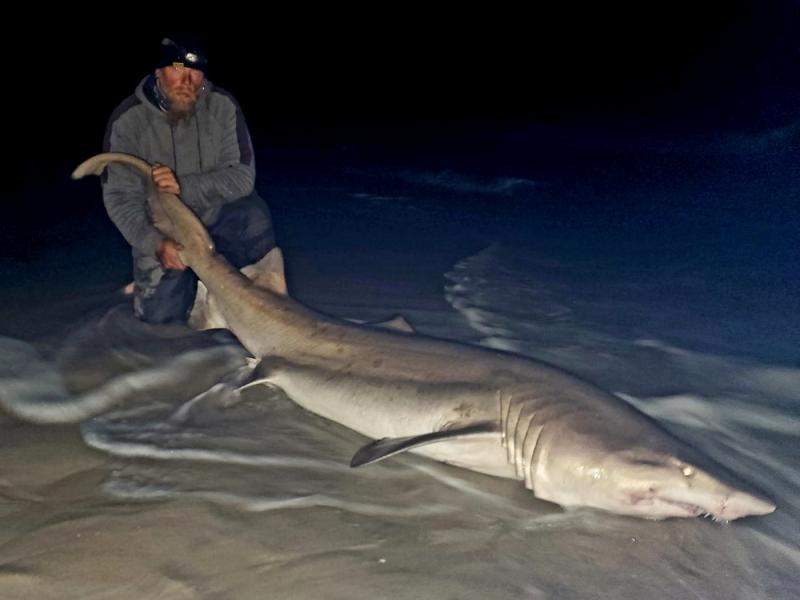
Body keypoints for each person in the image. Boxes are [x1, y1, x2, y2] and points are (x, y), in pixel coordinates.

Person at [102, 34, 275, 324]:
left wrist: (183, 186)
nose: (187, 79)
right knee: (160, 323)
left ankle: (263, 290)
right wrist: (154, 243)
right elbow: (120, 199)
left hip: (218, 217)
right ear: (158, 72)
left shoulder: (223, 107)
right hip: (167, 231)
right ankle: (184, 286)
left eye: (195, 71)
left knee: (253, 216)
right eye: (178, 67)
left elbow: (243, 177)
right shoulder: (127, 121)